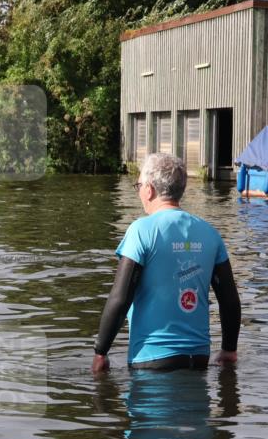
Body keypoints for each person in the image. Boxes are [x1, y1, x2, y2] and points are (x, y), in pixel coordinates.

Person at [92, 152, 241, 373]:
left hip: (152, 361)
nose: (139, 191)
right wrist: (229, 350)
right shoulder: (210, 234)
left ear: (149, 189)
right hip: (199, 359)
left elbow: (120, 298)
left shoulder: (140, 231)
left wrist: (100, 352)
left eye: (138, 185)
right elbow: (229, 300)